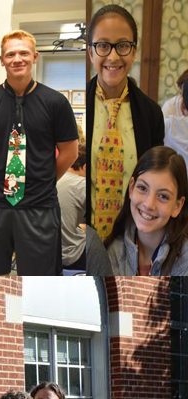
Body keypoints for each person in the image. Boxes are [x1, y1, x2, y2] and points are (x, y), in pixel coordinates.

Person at [0, 30, 79, 275]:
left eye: (23, 53)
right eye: (10, 54)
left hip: (39, 207)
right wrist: (0, 174)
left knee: (40, 278)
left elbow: (69, 152)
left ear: (35, 56)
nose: (17, 59)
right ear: (1, 60)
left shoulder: (55, 103)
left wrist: (44, 178)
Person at [87, 4, 164, 241]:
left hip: (133, 236)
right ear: (91, 52)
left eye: (122, 45)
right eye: (102, 45)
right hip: (84, 238)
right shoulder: (69, 110)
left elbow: (154, 178)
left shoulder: (151, 113)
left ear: (134, 51)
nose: (112, 56)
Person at [104, 145, 188, 275]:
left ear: (177, 206)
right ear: (131, 188)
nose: (149, 204)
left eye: (163, 196)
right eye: (143, 188)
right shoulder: (112, 252)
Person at [57, 142, 92, 272]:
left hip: (47, 253)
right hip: (70, 255)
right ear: (85, 167)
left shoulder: (55, 177)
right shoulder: (81, 185)